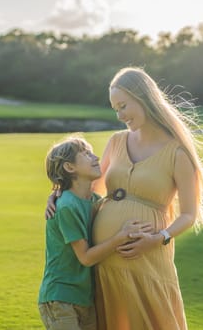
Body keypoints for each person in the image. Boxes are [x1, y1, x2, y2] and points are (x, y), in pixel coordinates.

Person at [46, 67, 203, 330]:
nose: (120, 116)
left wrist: (157, 239)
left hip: (148, 259)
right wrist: (57, 193)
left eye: (123, 106)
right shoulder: (117, 142)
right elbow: (87, 189)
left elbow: (189, 214)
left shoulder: (177, 153)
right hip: (107, 263)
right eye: (115, 109)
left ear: (143, 97)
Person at [38, 134, 153, 330]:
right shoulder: (66, 206)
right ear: (69, 167)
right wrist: (122, 236)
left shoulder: (94, 201)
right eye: (86, 154)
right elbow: (86, 258)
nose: (96, 158)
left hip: (85, 297)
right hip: (61, 297)